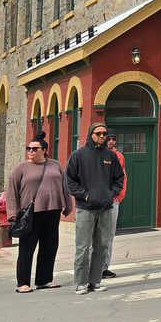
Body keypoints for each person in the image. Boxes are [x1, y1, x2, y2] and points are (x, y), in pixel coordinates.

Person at [5, 138, 72, 293]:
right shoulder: (21, 168)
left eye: (35, 149)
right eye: (29, 148)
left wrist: (68, 206)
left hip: (53, 211)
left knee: (49, 247)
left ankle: (44, 280)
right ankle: (22, 283)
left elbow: (64, 186)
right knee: (27, 248)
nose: (31, 151)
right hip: (30, 213)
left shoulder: (55, 165)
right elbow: (12, 191)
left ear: (44, 150)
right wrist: (12, 213)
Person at [66, 122, 125, 294]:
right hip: (85, 208)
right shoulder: (78, 155)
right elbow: (70, 181)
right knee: (83, 247)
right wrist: (85, 195)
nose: (102, 136)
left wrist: (110, 194)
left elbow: (119, 179)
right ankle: (80, 282)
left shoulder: (111, 156)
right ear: (91, 134)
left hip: (106, 208)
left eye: (104, 134)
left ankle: (95, 281)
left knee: (102, 245)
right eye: (98, 133)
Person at [101, 129, 127, 279]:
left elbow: (123, 177)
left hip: (113, 200)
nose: (111, 141)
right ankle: (93, 266)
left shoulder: (119, 156)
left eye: (113, 139)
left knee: (109, 235)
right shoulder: (96, 154)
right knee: (95, 236)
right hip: (97, 200)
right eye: (108, 139)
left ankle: (105, 267)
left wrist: (120, 195)